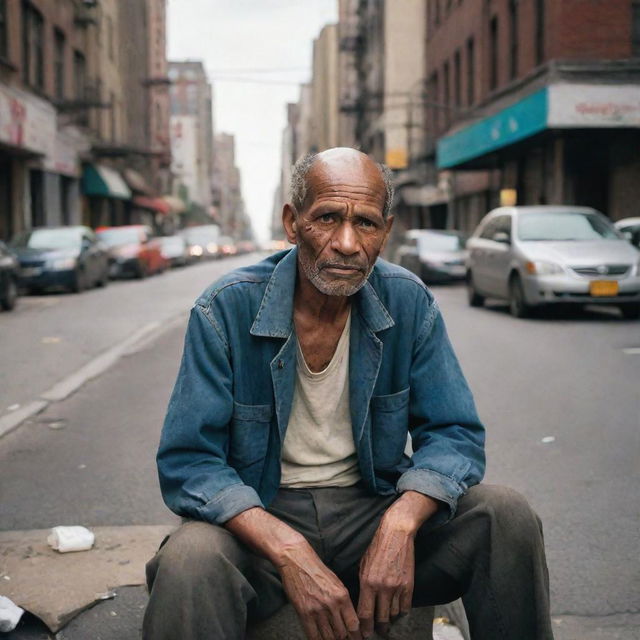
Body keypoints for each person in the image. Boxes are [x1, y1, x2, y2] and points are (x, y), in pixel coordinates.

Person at [143, 148, 553, 640]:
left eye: (366, 223)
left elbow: (454, 433)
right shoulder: (224, 310)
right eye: (328, 219)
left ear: (387, 230)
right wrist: (289, 551)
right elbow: (190, 462)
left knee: (504, 515)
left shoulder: (408, 300)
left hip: (372, 505)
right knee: (189, 560)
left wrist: (401, 524)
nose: (346, 243)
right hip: (265, 512)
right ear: (293, 223)